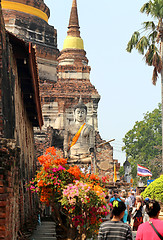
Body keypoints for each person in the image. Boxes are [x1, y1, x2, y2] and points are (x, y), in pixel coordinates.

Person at [64, 97, 94, 163]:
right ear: (74, 114)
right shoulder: (69, 127)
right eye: (78, 112)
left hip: (85, 155)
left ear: (86, 114)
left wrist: (91, 152)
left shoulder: (90, 128)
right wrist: (65, 151)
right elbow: (66, 142)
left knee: (90, 160)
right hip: (72, 155)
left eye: (82, 112)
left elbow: (91, 144)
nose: (80, 115)